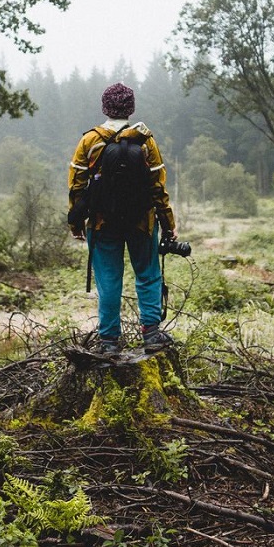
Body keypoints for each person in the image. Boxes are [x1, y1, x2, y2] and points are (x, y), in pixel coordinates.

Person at [68, 81, 178, 355]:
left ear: (105, 107)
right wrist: (168, 226)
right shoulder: (146, 140)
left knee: (108, 279)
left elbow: (76, 186)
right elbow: (158, 187)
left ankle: (109, 342)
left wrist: (76, 223)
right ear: (131, 109)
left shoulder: (89, 141)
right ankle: (151, 333)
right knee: (148, 274)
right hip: (142, 220)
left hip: (101, 222)